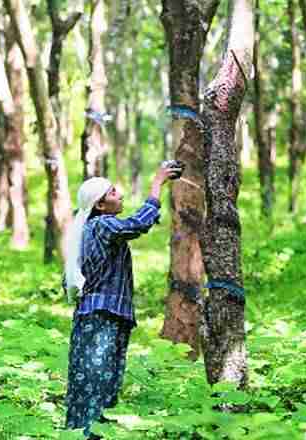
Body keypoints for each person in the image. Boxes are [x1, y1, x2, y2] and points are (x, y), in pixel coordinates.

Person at [63, 163, 181, 439]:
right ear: (100, 206)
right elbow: (138, 224)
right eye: (113, 192)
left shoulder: (90, 228)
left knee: (92, 387)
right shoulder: (102, 225)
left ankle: (83, 434)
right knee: (97, 387)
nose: (121, 195)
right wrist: (157, 184)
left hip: (99, 318)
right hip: (101, 318)